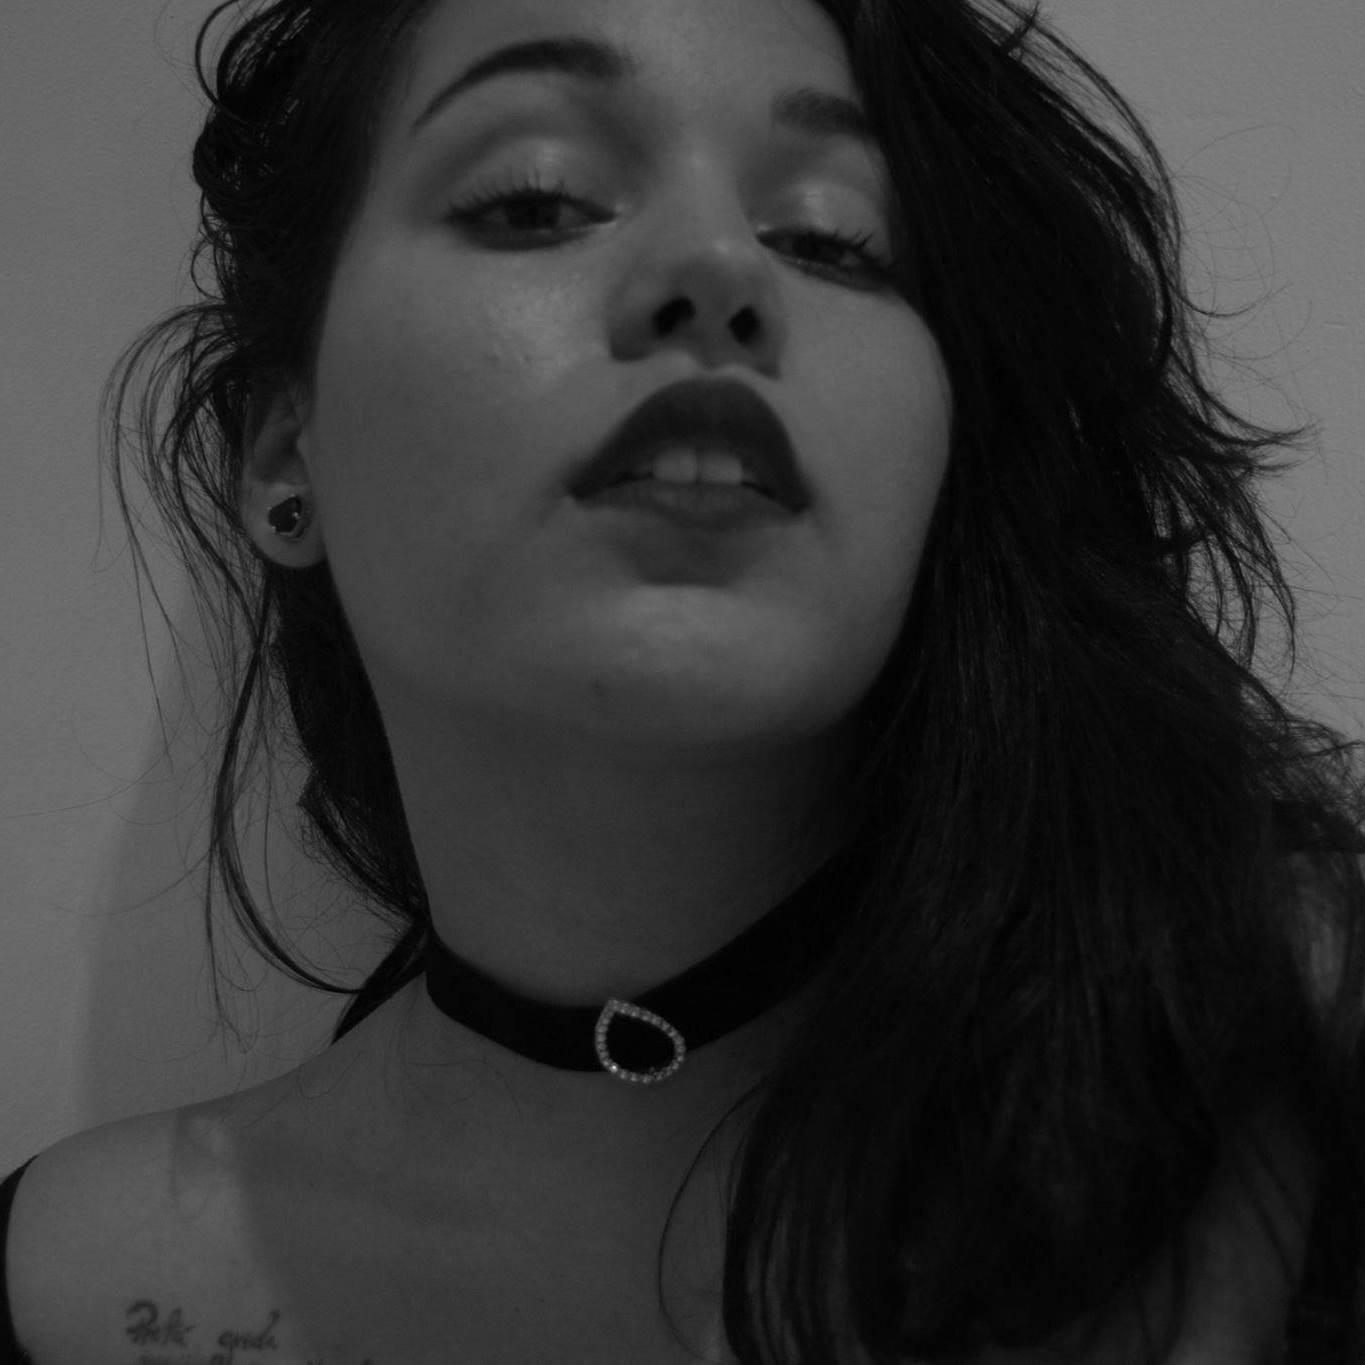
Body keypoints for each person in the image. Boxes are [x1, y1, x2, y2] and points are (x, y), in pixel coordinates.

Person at [3, 0, 1363, 1360]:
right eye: (534, 200)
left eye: (829, 236)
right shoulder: (70, 1290)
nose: (721, 267)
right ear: (282, 454)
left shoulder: (1281, 1065)